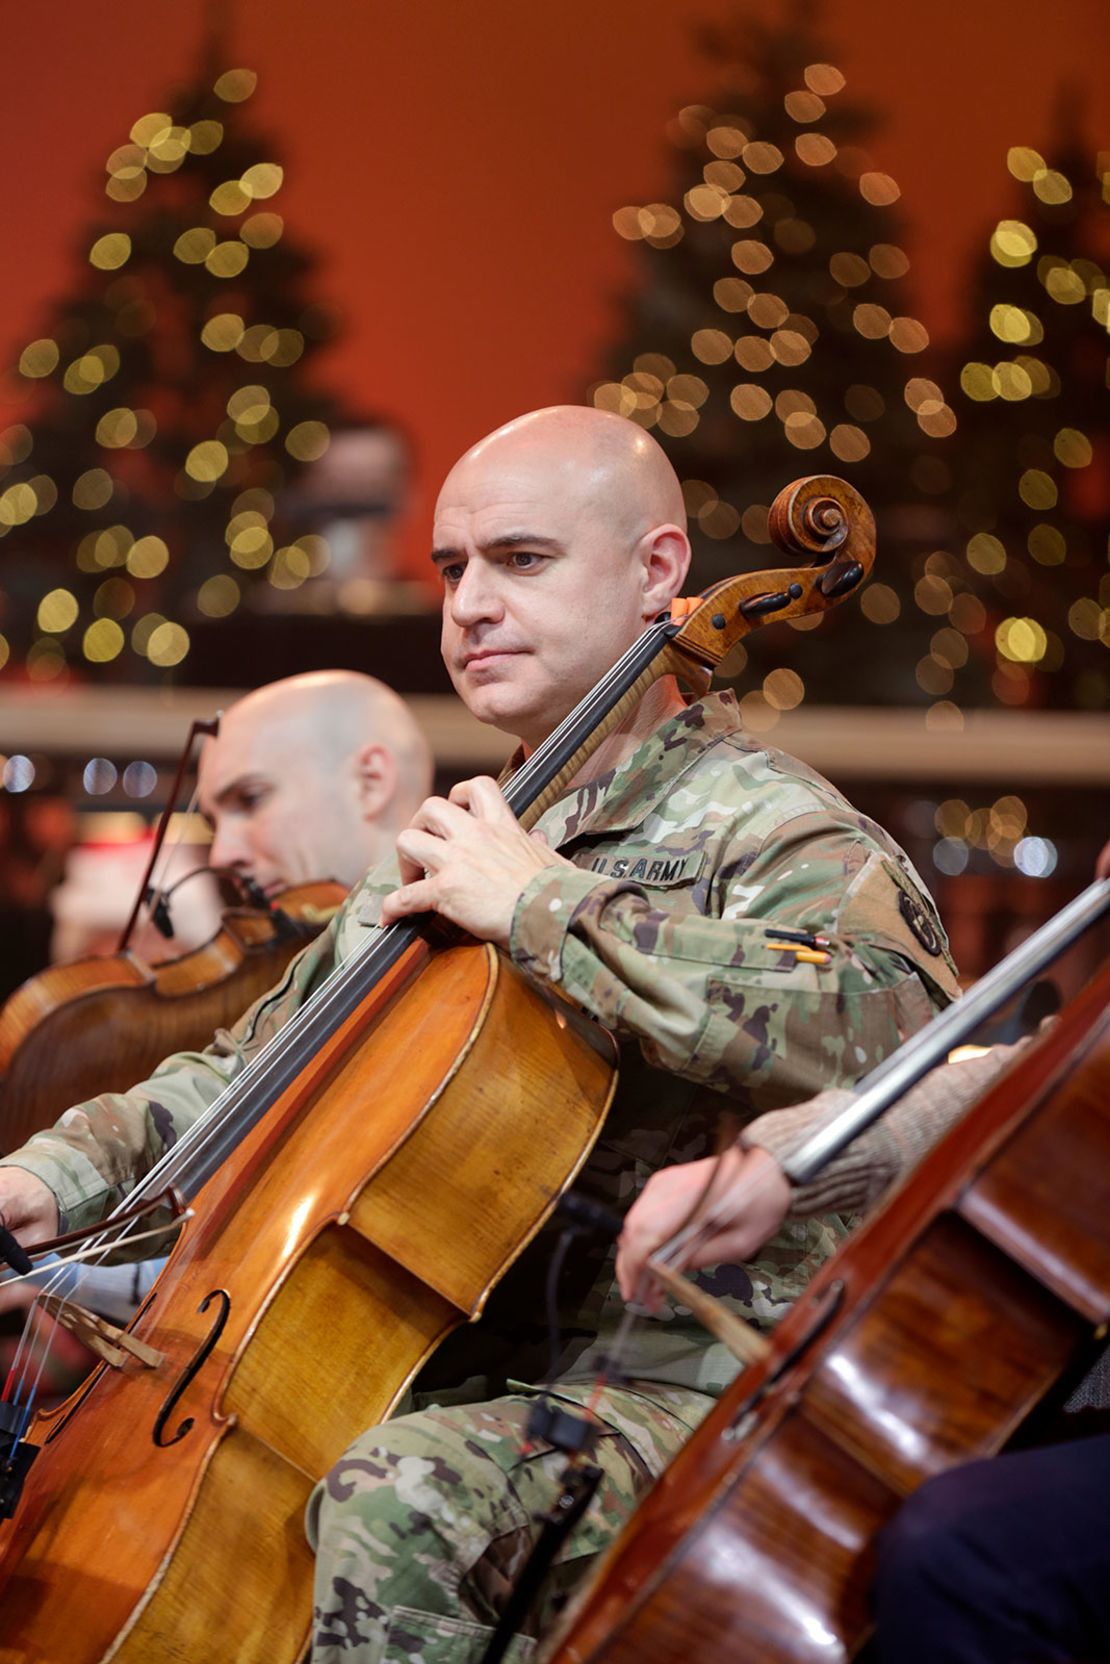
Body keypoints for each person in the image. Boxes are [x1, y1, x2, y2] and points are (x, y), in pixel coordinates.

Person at [0, 406, 960, 1664]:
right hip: (465, 1363)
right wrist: (47, 1176)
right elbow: (255, 1064)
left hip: (696, 1380)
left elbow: (900, 1031)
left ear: (658, 573)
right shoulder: (472, 830)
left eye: (522, 559)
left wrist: (546, 907)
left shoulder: (765, 824)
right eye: (453, 568)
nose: (469, 604)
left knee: (403, 1489)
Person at [0, 668, 433, 1324]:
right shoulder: (278, 978)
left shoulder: (462, 982)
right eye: (214, 818)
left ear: (371, 781)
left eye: (250, 799)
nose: (224, 851)